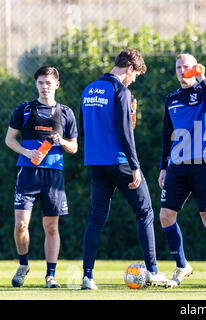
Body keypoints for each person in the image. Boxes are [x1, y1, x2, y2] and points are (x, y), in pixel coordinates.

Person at [79, 49, 172, 290]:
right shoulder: (120, 90)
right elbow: (125, 131)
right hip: (119, 161)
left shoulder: (88, 89)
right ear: (129, 68)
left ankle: (87, 276)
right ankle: (152, 271)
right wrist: (135, 166)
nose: (134, 79)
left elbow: (82, 128)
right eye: (136, 75)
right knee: (145, 212)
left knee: (96, 218)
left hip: (96, 163)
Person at [5, 66, 78, 288]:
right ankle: (23, 264)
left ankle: (51, 275)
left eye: (48, 83)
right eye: (41, 83)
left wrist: (62, 142)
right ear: (36, 85)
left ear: (57, 85)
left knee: (51, 227)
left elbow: (74, 147)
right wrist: (27, 152)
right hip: (28, 173)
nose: (45, 87)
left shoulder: (66, 112)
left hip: (53, 175)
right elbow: (10, 139)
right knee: (20, 225)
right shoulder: (24, 109)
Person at [158, 53, 206, 287]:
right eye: (178, 66)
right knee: (165, 216)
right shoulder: (171, 98)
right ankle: (182, 265)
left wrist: (203, 78)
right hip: (176, 164)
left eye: (186, 66)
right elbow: (167, 136)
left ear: (194, 68)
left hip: (202, 162)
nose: (182, 70)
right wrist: (163, 167)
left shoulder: (204, 90)